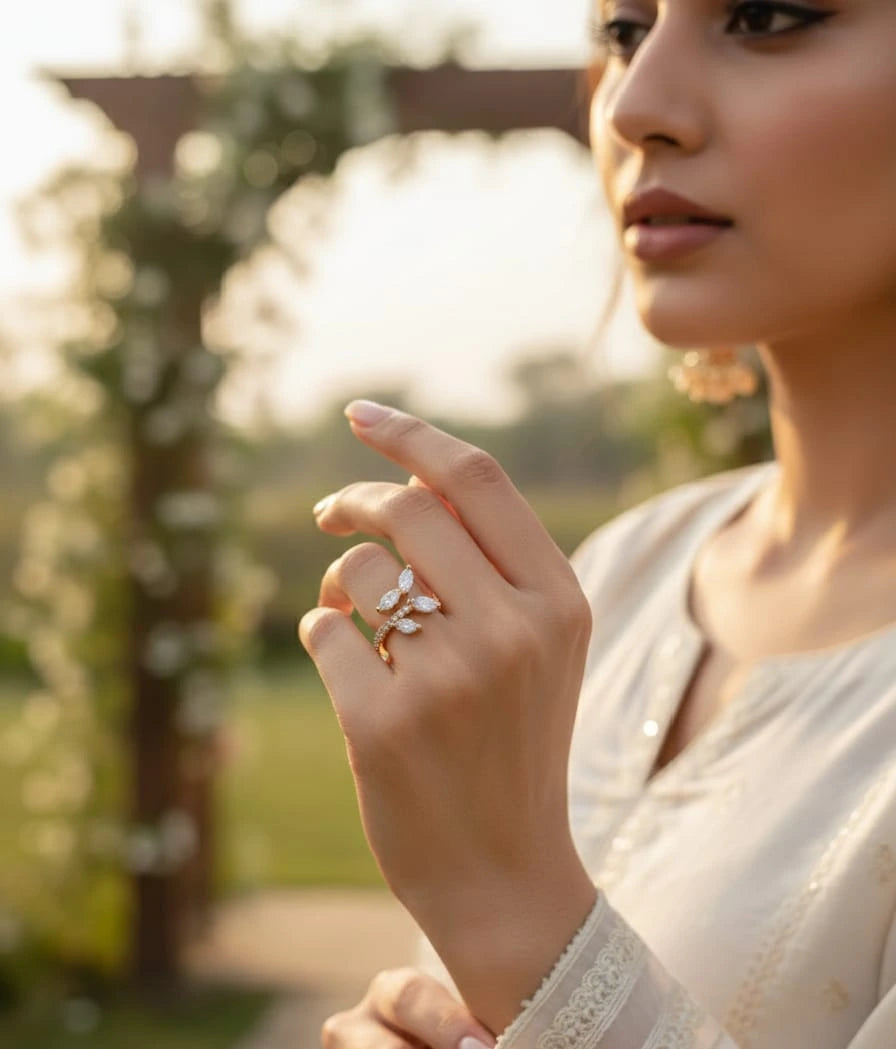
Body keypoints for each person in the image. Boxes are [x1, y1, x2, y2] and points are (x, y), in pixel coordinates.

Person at [298, 0, 896, 1046]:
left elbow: (517, 933)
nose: (636, 107)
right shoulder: (622, 570)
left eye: (765, 16)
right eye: (622, 32)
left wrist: (509, 911)